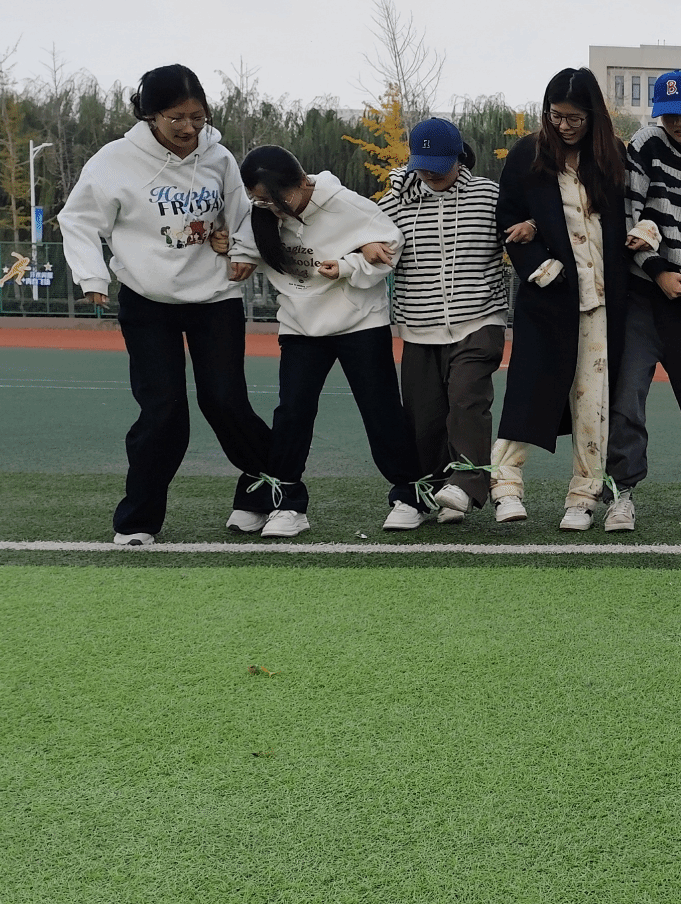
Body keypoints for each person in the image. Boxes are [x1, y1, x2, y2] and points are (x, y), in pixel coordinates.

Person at [57, 64, 275, 546]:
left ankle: (266, 495)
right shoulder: (115, 160)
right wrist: (92, 275)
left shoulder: (218, 157)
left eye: (198, 117)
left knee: (225, 402)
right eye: (176, 117)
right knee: (163, 412)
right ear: (150, 115)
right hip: (147, 301)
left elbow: (243, 214)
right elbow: (78, 219)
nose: (188, 128)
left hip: (214, 298)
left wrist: (241, 250)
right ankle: (138, 519)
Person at [239, 146, 426, 536]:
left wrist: (348, 265)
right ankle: (287, 503)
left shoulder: (347, 205)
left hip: (360, 323)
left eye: (277, 199)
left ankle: (410, 496)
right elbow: (240, 249)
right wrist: (226, 247)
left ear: (301, 182)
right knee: (292, 412)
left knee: (380, 410)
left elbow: (391, 247)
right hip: (299, 325)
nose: (271, 208)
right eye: (261, 200)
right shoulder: (261, 212)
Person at [493, 67, 631, 531]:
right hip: (548, 297)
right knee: (529, 390)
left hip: (601, 302)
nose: (564, 126)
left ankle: (584, 496)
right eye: (555, 116)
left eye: (574, 118)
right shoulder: (527, 154)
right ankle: (505, 486)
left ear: (593, 116)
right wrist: (538, 263)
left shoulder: (611, 156)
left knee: (593, 404)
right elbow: (509, 217)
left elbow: (623, 214)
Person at [604, 69, 681, 531]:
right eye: (668, 114)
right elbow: (628, 214)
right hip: (642, 296)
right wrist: (657, 270)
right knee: (626, 398)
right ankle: (621, 492)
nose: (676, 123)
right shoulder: (647, 144)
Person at [377, 117, 511, 525]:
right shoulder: (396, 202)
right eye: (422, 166)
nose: (431, 174)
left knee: (467, 398)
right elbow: (360, 231)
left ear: (459, 157)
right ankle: (425, 495)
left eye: (440, 165)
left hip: (479, 318)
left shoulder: (489, 195)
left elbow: (525, 224)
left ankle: (467, 482)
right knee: (424, 418)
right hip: (419, 325)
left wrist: (531, 226)